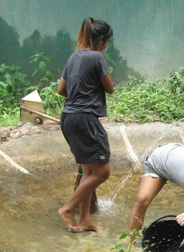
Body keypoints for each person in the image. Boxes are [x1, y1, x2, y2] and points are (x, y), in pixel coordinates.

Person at [57, 17, 114, 233]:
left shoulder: (73, 57)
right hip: (85, 119)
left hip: (68, 118)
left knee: (88, 172)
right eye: (107, 41)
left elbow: (61, 90)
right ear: (102, 40)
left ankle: (85, 220)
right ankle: (68, 209)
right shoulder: (97, 57)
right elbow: (110, 88)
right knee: (102, 173)